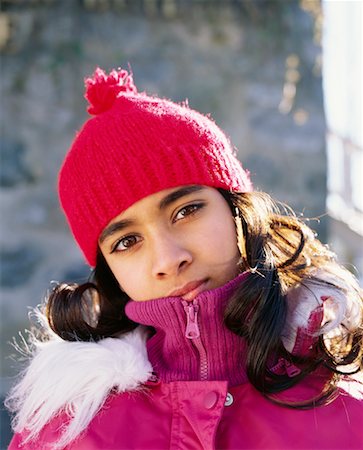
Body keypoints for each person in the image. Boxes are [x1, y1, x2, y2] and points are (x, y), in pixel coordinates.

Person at [5, 67, 363, 450]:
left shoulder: (347, 408)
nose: (168, 259)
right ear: (109, 270)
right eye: (127, 242)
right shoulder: (65, 430)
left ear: (236, 210)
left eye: (186, 211)